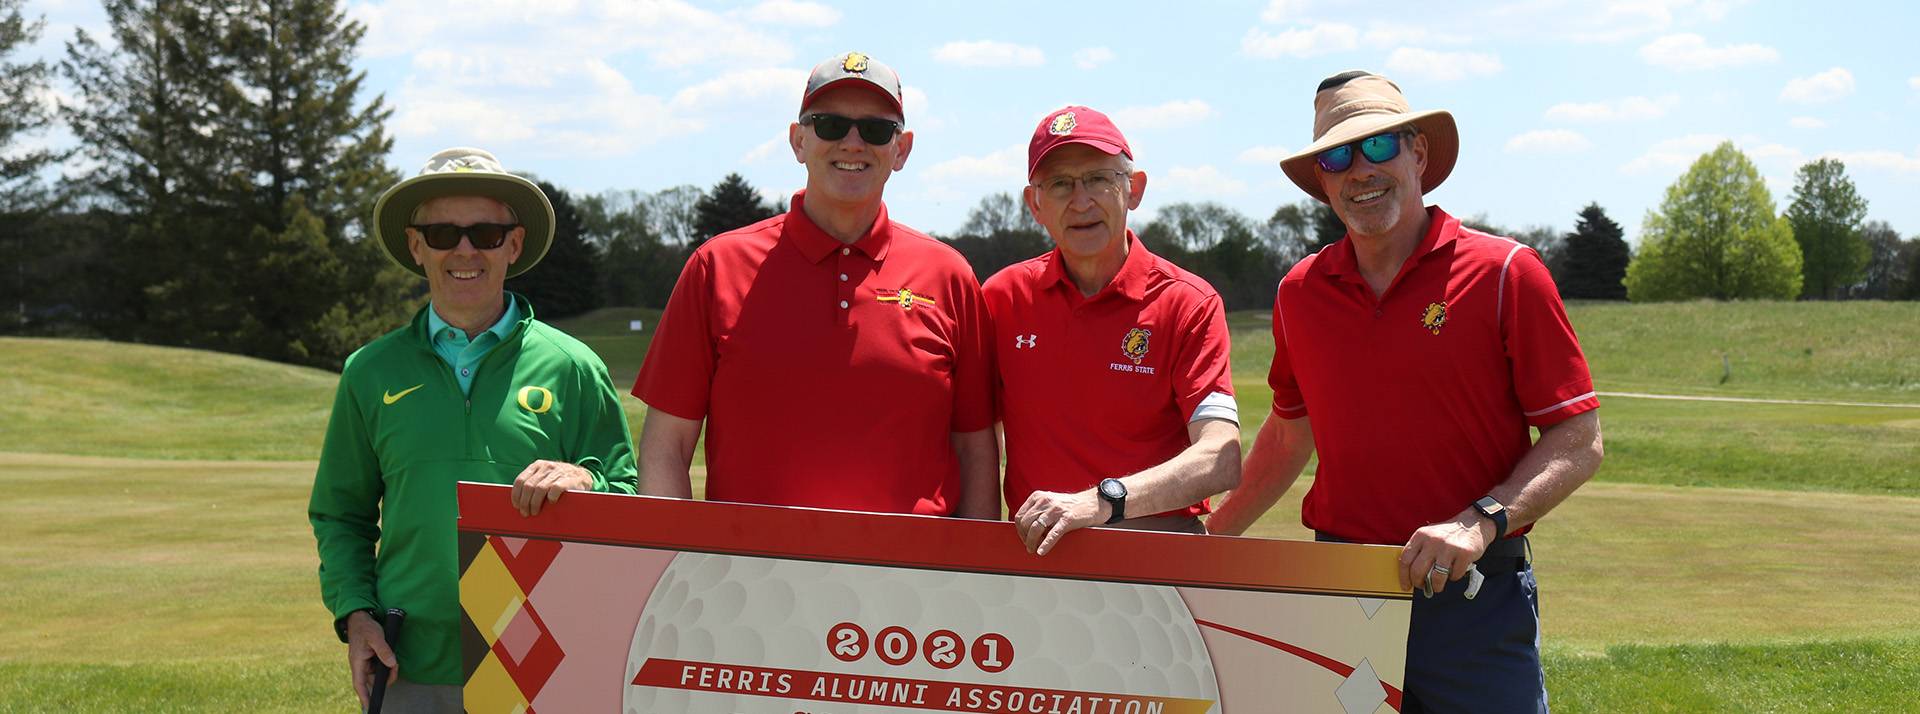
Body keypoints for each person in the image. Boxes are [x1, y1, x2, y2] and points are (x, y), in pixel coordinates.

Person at [1209, 71, 1605, 713]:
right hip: (1340, 590)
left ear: (1418, 153)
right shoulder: (1300, 293)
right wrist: (1205, 544)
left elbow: (1579, 440)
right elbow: (1288, 432)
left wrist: (1481, 521)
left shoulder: (1507, 272)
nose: (1359, 171)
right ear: (1323, 181)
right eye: (1337, 157)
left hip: (1474, 593)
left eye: (1379, 147)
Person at [309, 147, 639, 712]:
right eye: (442, 233)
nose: (464, 250)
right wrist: (356, 615)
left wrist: (586, 480)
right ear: (417, 246)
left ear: (513, 245)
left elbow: (629, 496)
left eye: (485, 233)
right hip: (409, 660)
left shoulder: (574, 365)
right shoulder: (370, 370)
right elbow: (342, 514)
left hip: (545, 658)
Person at [632, 52, 997, 518]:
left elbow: (976, 452)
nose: (852, 143)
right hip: (749, 577)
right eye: (829, 125)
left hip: (914, 583)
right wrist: (670, 566)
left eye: (876, 130)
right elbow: (667, 447)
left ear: (901, 149)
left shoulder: (948, 275)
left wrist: (970, 581)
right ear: (798, 140)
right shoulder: (716, 266)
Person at [987, 106, 1240, 556]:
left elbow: (1220, 456)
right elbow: (970, 435)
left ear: (1134, 188)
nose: (1080, 201)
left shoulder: (1188, 302)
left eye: (1099, 179)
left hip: (1160, 558)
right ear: (1035, 204)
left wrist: (1099, 502)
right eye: (1060, 184)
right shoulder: (1002, 297)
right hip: (1036, 557)